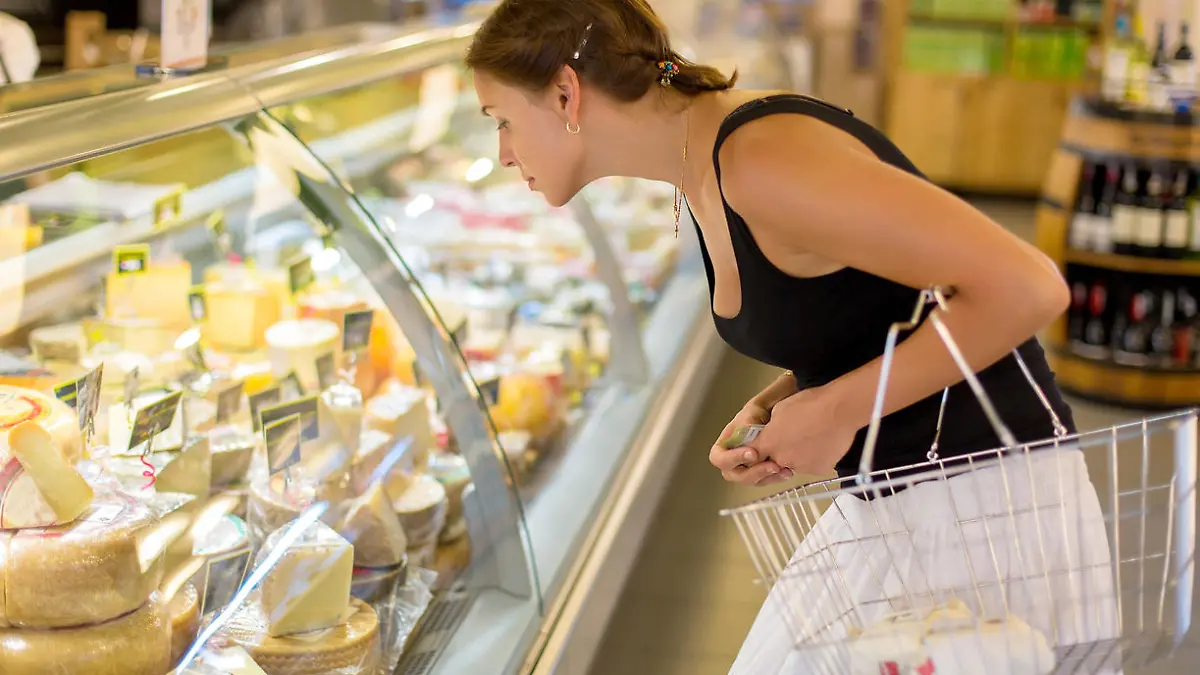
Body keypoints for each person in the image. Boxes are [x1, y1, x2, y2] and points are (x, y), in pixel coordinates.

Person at [466, 1, 1119, 673]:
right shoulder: (700, 161)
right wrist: (785, 402)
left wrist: (835, 410)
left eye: (501, 119)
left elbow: (1028, 288)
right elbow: (870, 307)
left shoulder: (761, 159)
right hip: (907, 498)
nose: (504, 153)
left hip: (987, 507)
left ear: (566, 92)